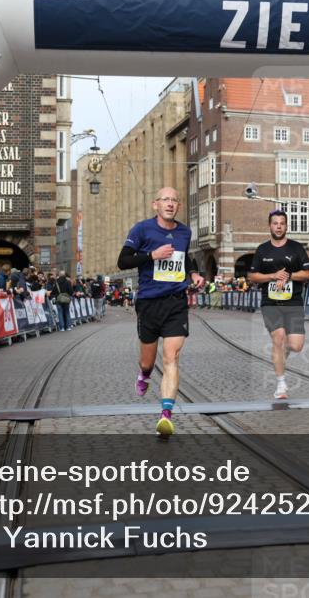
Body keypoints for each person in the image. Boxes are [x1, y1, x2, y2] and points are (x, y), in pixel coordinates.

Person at [117, 187, 204, 438]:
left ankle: (166, 415)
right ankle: (144, 374)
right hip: (149, 303)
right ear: (156, 204)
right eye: (165, 200)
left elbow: (185, 258)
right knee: (148, 361)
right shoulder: (141, 229)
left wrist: (194, 273)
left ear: (178, 206)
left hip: (176, 302)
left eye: (175, 200)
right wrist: (151, 255)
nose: (170, 204)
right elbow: (123, 261)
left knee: (171, 358)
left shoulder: (184, 232)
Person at [247, 209, 309, 399]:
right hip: (271, 302)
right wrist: (272, 276)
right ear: (270, 226)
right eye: (275, 223)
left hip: (293, 302)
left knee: (296, 345)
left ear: (286, 226)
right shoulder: (262, 250)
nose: (278, 226)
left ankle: (280, 356)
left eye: (281, 223)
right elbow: (252, 276)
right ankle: (281, 385)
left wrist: (290, 275)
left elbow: (308, 274)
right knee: (279, 338)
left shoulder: (296, 248)